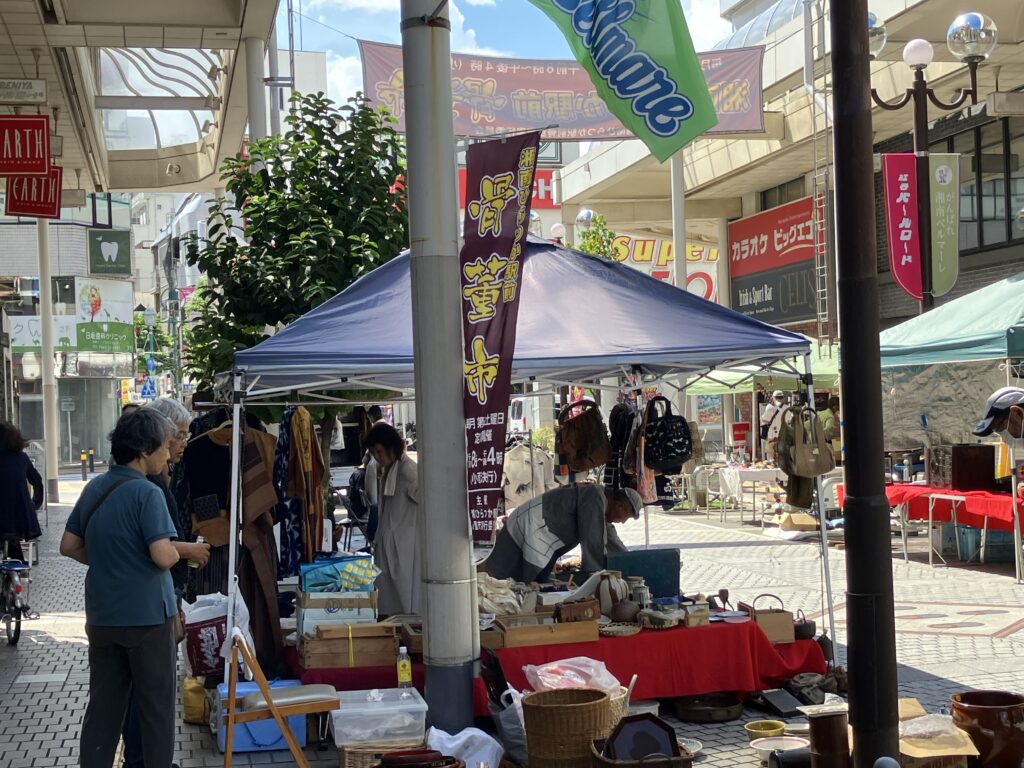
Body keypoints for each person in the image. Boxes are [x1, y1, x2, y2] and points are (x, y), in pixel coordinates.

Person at [59, 409, 181, 768]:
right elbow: (162, 556)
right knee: (155, 709)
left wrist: (108, 561)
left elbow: (68, 545)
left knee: (104, 709)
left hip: (102, 617)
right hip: (146, 619)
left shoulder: (95, 486)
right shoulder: (147, 493)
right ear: (144, 450)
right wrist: (178, 551)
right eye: (163, 446)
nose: (167, 453)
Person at [120, 399, 210, 768]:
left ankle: (141, 758)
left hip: (144, 599)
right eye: (179, 434)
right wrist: (187, 549)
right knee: (149, 690)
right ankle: (144, 760)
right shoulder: (149, 486)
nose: (184, 441)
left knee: (143, 690)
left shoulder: (161, 476)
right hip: (152, 599)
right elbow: (160, 550)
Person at [484, 484, 642, 584]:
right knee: (504, 583)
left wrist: (631, 563)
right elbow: (593, 543)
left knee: (525, 581)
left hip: (532, 526)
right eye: (625, 517)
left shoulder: (600, 502)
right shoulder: (595, 497)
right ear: (620, 506)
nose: (622, 522)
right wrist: (596, 581)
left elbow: (610, 539)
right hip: (531, 525)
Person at [365, 421, 419, 616]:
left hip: (405, 548)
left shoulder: (409, 471)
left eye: (379, 451)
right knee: (389, 599)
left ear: (391, 447)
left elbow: (429, 503)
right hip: (389, 546)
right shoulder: (388, 470)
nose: (377, 457)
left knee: (405, 599)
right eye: (374, 453)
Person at [0, 422, 43, 563]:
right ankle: (19, 577)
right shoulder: (21, 458)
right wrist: (35, 504)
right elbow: (37, 481)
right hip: (19, 519)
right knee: (15, 553)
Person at [362, 404, 386, 546]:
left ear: (371, 416)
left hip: (377, 470)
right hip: (379, 470)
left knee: (376, 505)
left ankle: (372, 536)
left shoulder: (377, 429)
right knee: (378, 505)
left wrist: (365, 462)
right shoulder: (385, 427)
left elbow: (369, 453)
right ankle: (373, 536)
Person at [761, 390, 787, 461]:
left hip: (772, 434)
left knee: (771, 455)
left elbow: (764, 420)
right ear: (782, 397)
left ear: (774, 397)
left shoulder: (770, 406)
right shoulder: (787, 407)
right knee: (782, 455)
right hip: (783, 434)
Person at [819, 396, 841, 462]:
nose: (839, 409)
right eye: (838, 406)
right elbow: (828, 431)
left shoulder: (821, 413)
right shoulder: (830, 417)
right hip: (821, 442)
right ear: (834, 407)